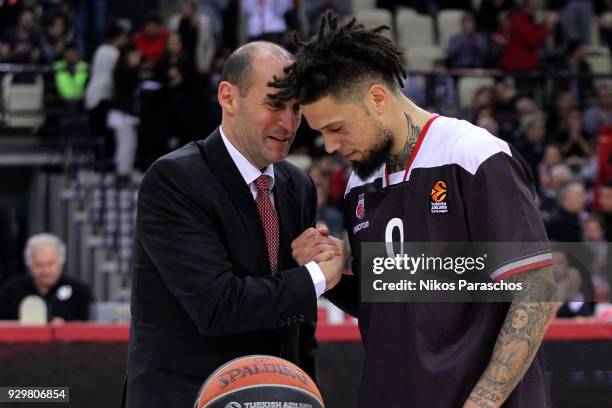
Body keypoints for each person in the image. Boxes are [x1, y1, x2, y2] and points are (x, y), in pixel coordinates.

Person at [270, 12, 557, 407]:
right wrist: (332, 276)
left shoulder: (472, 156)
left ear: (376, 98)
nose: (331, 146)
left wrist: (483, 402)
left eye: (335, 128)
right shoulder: (361, 181)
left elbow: (537, 291)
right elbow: (398, 300)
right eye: (321, 134)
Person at [123, 41, 346, 407]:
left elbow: (300, 325)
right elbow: (218, 305)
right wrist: (319, 276)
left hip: (275, 397)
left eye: (295, 109)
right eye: (275, 104)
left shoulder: (298, 186)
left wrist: (306, 389)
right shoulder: (173, 179)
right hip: (185, 397)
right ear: (228, 97)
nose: (288, 123)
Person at [0, 233, 93, 323]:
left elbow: (93, 327)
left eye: (50, 264)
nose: (46, 271)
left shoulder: (79, 292)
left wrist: (67, 328)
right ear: (29, 265)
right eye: (39, 265)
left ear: (61, 263)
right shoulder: (12, 291)